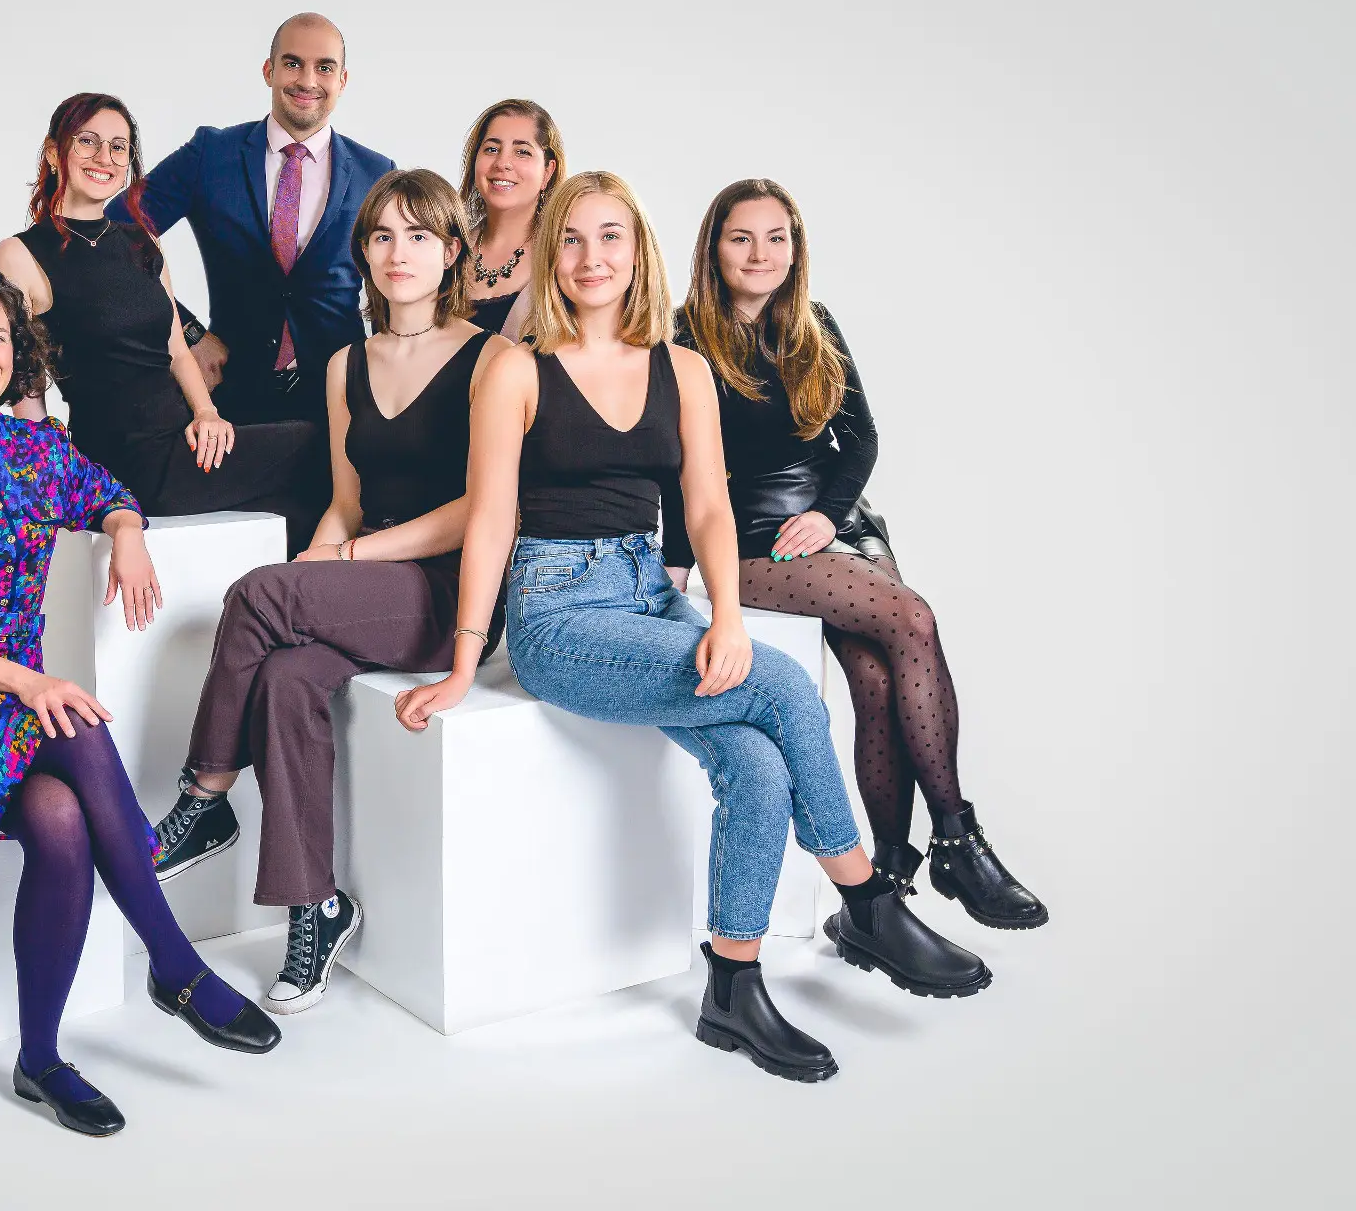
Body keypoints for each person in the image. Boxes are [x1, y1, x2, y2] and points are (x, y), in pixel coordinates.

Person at [393, 173, 988, 1083]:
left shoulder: (681, 367)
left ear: (639, 252)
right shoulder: (515, 369)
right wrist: (466, 663)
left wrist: (728, 616)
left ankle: (732, 988)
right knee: (784, 688)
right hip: (559, 611)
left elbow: (708, 508)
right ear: (551, 255)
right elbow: (490, 519)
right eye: (572, 239)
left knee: (756, 765)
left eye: (611, 237)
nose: (592, 257)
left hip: (655, 593)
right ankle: (868, 900)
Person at [0, 263, 281, 1137]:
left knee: (62, 820)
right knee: (71, 721)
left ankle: (39, 1059)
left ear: (18, 350)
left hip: (11, 715)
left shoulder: (35, 451)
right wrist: (30, 681)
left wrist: (127, 534)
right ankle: (175, 964)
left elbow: (110, 495)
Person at [145, 169, 511, 1015]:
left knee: (257, 595)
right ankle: (316, 907)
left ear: (452, 251)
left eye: (419, 236)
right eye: (381, 236)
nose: (398, 253)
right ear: (364, 256)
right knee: (284, 678)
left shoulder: (495, 359)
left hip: (447, 593)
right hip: (365, 576)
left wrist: (342, 562)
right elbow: (346, 502)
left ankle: (206, 794)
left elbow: (483, 510)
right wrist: (320, 559)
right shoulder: (346, 364)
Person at [660, 178, 1046, 929]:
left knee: (874, 678)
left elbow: (860, 438)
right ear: (714, 248)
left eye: (777, 238)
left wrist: (828, 517)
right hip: (753, 539)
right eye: (742, 238)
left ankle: (892, 874)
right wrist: (679, 563)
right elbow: (677, 467)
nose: (760, 253)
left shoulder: (815, 324)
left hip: (838, 525)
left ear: (795, 248)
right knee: (913, 618)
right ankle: (958, 840)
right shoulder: (682, 338)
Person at [0, 94, 327, 554]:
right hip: (124, 459)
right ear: (54, 152)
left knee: (300, 493)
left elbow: (176, 351)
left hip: (180, 440)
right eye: (87, 141)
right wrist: (51, 477)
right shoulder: (19, 254)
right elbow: (24, 380)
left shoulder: (142, 241)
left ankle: (299, 586)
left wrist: (207, 414)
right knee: (315, 444)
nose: (104, 157)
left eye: (118, 147)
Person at [109, 13, 396, 444]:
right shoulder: (211, 154)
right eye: (292, 63)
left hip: (341, 397)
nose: (307, 80)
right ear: (269, 70)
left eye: (324, 67)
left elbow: (401, 281)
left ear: (343, 80)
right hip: (230, 396)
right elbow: (113, 235)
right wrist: (187, 333)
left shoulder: (377, 173)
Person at [456, 98, 566, 340]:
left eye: (522, 152)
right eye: (491, 149)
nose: (502, 163)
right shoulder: (446, 252)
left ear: (548, 171)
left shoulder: (565, 258)